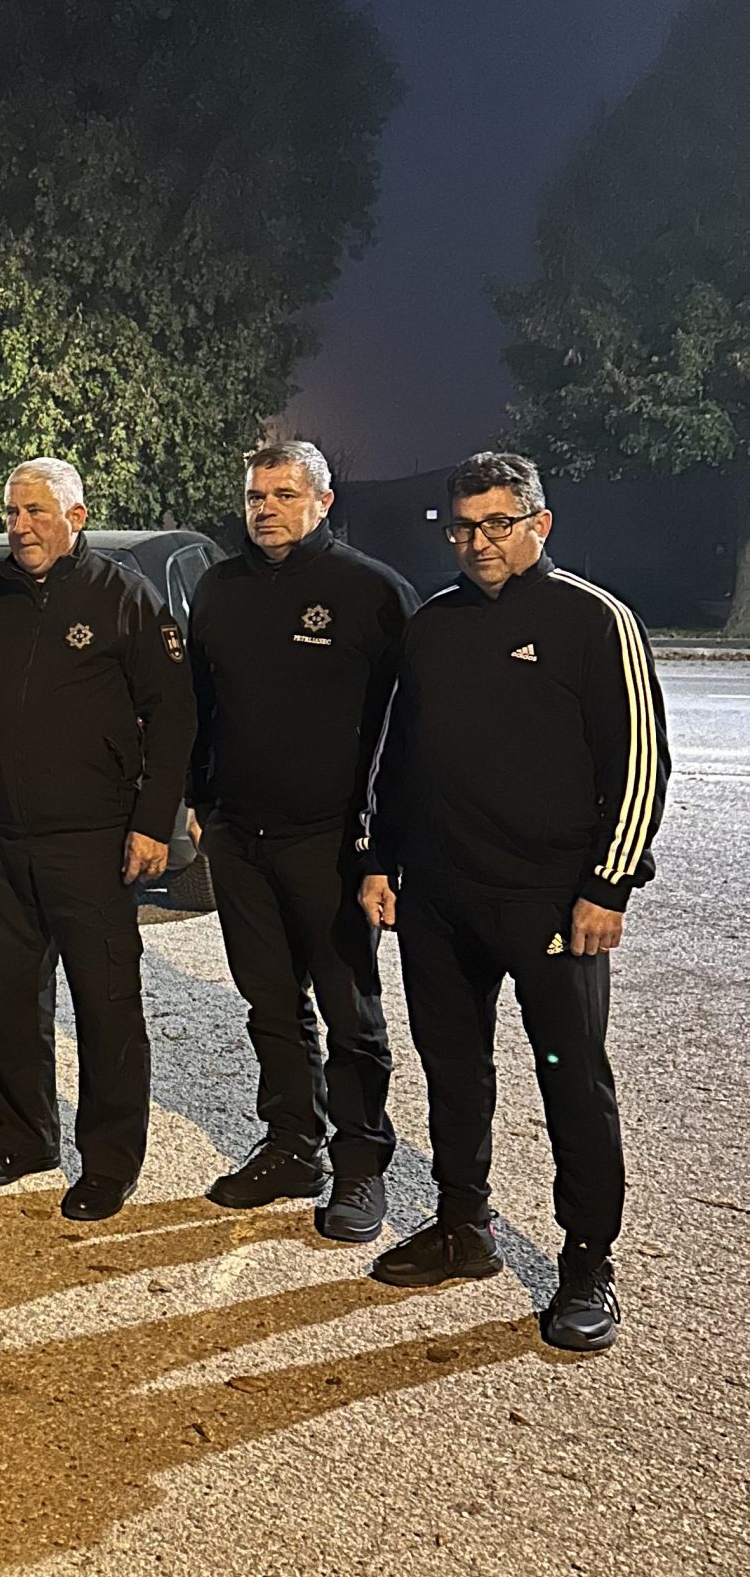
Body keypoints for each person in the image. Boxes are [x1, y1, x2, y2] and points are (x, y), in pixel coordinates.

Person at [361, 450, 669, 1352]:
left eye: (497, 523)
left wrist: (608, 885)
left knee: (573, 1081)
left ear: (539, 522)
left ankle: (588, 1261)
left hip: (551, 903)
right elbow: (400, 759)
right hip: (441, 899)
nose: (478, 542)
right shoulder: (433, 624)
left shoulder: (595, 619)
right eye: (462, 527)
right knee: (453, 1071)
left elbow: (641, 763)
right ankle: (464, 1225)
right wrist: (381, 859)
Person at [0, 457, 196, 1221]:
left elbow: (174, 714)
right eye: (11, 513)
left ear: (75, 518)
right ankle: (24, 1138)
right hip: (4, 843)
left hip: (94, 842)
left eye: (36, 512)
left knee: (106, 1007)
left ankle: (110, 1162)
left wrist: (152, 821)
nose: (20, 527)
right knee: (13, 1001)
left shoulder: (123, 596)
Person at [188, 441, 418, 1241]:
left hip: (330, 840)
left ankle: (360, 1165)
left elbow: (407, 730)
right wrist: (198, 800)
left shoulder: (372, 593)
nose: (266, 509)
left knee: (350, 1014)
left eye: (284, 495)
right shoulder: (219, 588)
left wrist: (384, 847)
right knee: (271, 1005)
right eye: (257, 496)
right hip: (239, 836)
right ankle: (292, 1145)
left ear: (322, 503)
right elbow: (198, 705)